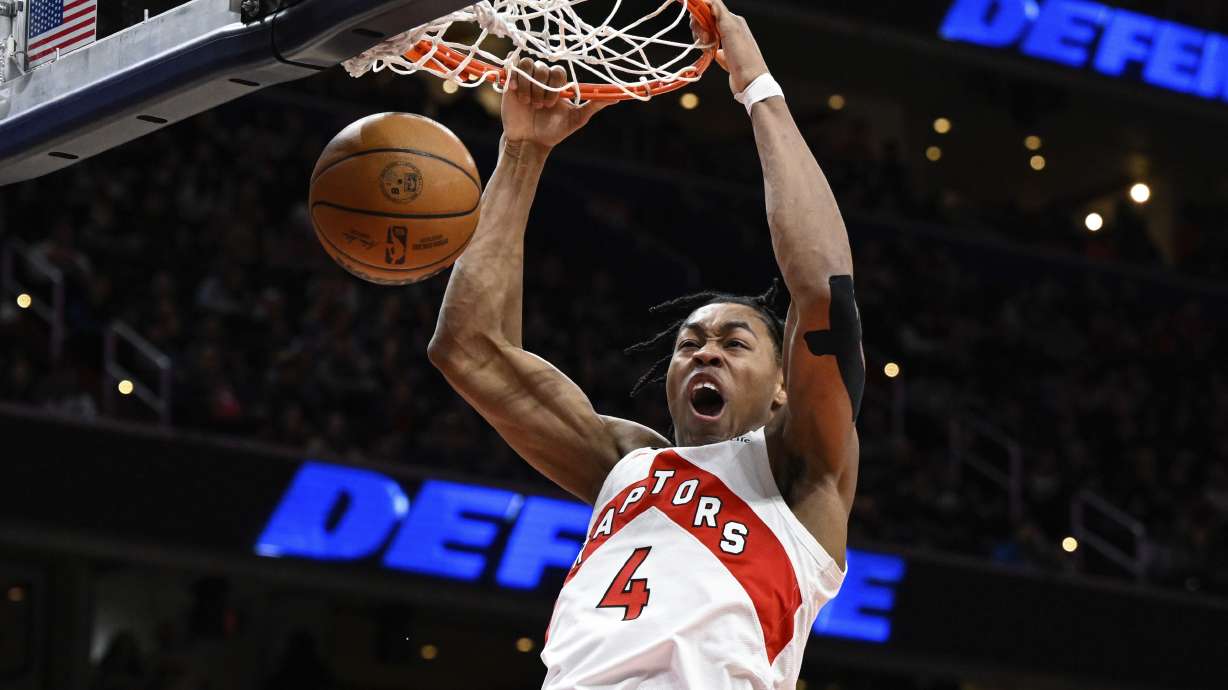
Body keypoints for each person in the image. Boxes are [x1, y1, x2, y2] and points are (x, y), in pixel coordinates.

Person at [427, 1, 862, 687]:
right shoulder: (625, 463)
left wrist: (756, 87)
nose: (704, 351)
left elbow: (823, 295)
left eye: (734, 341)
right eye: (689, 343)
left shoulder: (803, 479)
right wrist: (523, 152)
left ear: (784, 386)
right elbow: (467, 349)